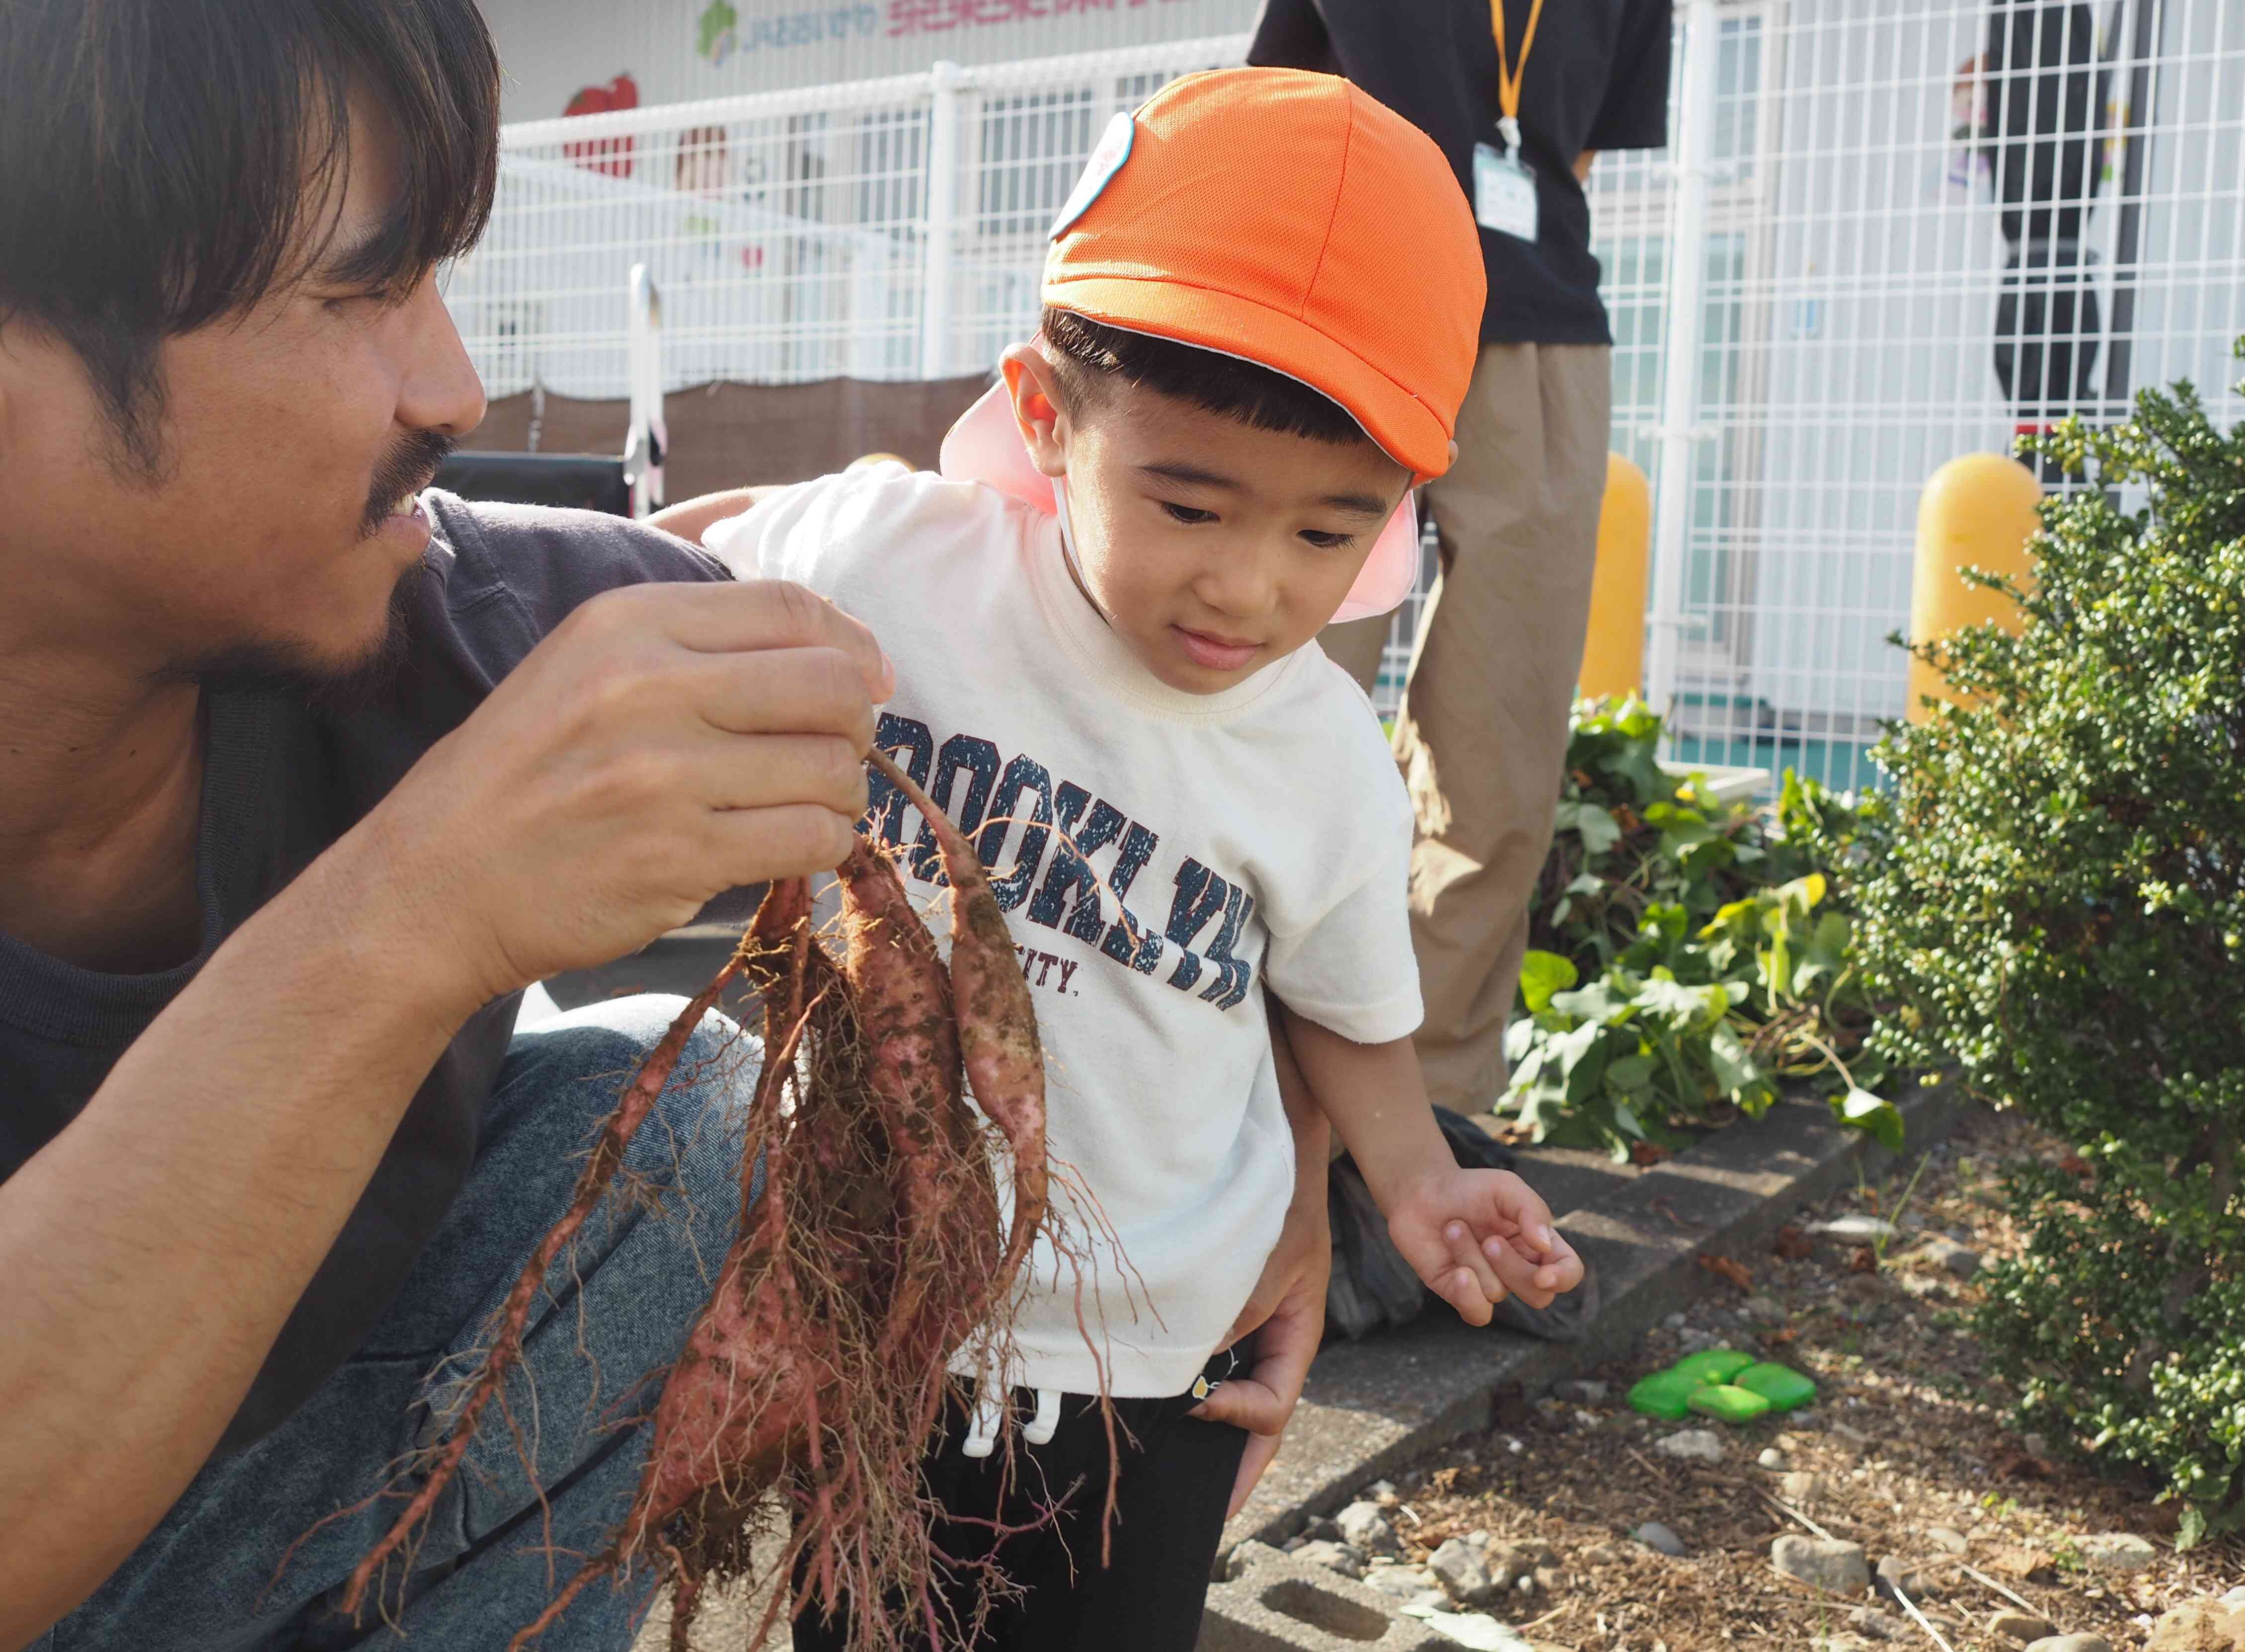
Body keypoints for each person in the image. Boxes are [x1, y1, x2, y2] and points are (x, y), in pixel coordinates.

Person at [0, 5, 1329, 1647]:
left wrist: (1289, 1161)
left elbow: (1066, 691)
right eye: (358, 288)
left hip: (231, 1501)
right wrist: (401, 920)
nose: (457, 383)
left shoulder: (468, 621)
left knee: (677, 1107)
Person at [683, 68, 1586, 1652]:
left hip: (1149, 1367)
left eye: (1329, 533)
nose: (1245, 586)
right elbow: (674, 557)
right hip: (869, 1309)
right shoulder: (900, 559)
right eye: (1190, 500)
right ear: (1047, 413)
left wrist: (1425, 1177)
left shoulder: (1312, 757)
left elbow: (1348, 1013)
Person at [1249, 0, 1674, 1115]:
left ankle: (1423, 1120)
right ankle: (1232, 1076)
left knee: (1503, 741)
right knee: (1275, 704)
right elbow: (1293, 99)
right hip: (1350, 304)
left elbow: (1567, 146)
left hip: (1541, 326)